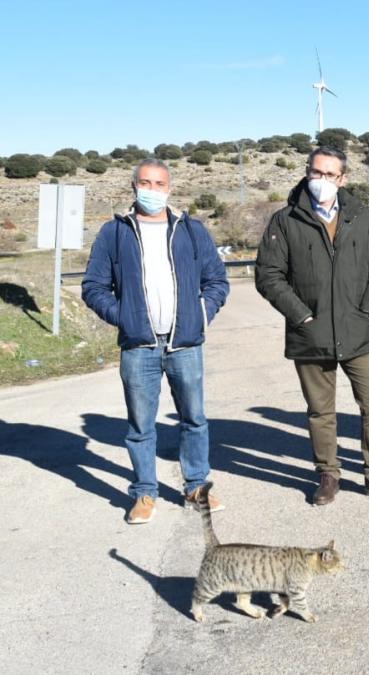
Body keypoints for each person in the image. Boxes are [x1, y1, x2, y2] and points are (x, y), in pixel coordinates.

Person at [255, 146, 369, 504]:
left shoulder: (359, 216)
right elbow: (268, 275)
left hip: (358, 331)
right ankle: (328, 475)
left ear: (343, 178)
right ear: (307, 172)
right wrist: (301, 315)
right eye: (316, 173)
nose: (321, 181)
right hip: (309, 334)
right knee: (320, 411)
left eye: (330, 175)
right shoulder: (285, 220)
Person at [82, 158, 229, 524]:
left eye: (159, 183)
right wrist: (125, 318)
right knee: (140, 426)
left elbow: (216, 281)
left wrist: (201, 314)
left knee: (194, 419)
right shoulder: (114, 233)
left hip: (185, 344)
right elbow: (93, 287)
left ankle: (197, 486)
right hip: (139, 347)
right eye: (145, 183)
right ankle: (144, 493)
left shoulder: (191, 230)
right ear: (134, 187)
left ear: (170, 188)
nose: (152, 190)